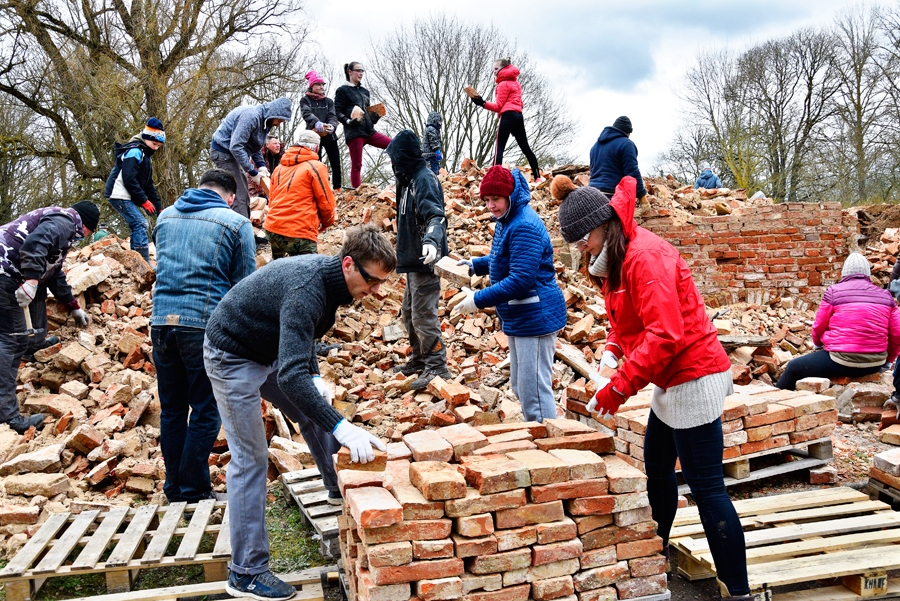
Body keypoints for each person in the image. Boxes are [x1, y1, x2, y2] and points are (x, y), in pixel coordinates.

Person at [553, 174, 751, 601]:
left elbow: (664, 335)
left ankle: (739, 592)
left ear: (601, 224)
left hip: (693, 377)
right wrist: (611, 350)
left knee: (707, 488)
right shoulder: (614, 255)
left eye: (582, 240)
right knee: (658, 468)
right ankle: (653, 555)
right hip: (670, 379)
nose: (581, 249)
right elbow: (628, 319)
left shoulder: (644, 257)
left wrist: (619, 388)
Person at [203, 224, 392, 600]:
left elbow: (302, 336)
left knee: (313, 408)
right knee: (251, 459)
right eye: (372, 280)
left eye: (381, 282)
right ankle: (246, 573)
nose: (376, 290)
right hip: (232, 355)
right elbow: (291, 375)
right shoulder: (309, 288)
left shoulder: (333, 286)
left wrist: (316, 377)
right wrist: (342, 427)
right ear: (349, 264)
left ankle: (336, 487)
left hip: (267, 349)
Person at [151, 169, 256, 503]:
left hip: (161, 323)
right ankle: (193, 490)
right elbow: (244, 287)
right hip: (203, 326)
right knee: (207, 409)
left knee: (172, 410)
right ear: (230, 197)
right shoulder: (236, 223)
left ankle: (174, 489)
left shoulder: (165, 217)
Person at [455, 166, 566, 422]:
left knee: (533, 391)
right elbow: (506, 257)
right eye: (486, 200)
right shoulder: (509, 219)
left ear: (510, 195)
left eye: (495, 199)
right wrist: (475, 265)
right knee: (521, 385)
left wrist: (477, 299)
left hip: (535, 315)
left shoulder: (523, 225)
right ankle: (537, 432)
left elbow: (520, 280)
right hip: (521, 315)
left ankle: (547, 439)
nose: (490, 206)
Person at [0, 201, 97, 434]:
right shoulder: (65, 222)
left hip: (9, 271)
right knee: (12, 340)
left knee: (40, 288)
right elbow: (35, 245)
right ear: (86, 226)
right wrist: (31, 281)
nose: (84, 238)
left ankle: (34, 343)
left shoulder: (62, 226)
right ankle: (7, 416)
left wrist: (73, 306)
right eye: (89, 233)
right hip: (4, 272)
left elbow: (53, 272)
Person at [776, 253, 900, 391]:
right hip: (875, 363)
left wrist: (818, 345)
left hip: (841, 360)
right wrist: (888, 361)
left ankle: (776, 400)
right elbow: (897, 334)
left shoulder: (834, 292)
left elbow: (819, 326)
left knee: (793, 367)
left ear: (844, 273)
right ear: (868, 274)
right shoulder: (885, 296)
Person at [386, 130, 451, 390]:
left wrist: (432, 241)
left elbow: (436, 215)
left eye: (395, 159)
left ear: (404, 157)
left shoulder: (424, 179)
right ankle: (420, 358)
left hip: (426, 259)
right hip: (413, 259)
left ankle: (437, 365)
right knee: (410, 312)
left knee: (424, 315)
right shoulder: (407, 179)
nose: (393, 164)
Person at [210, 98, 293, 219]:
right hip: (223, 152)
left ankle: (245, 223)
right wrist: (252, 171)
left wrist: (261, 166)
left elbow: (255, 145)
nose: (278, 124)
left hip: (232, 152)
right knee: (238, 193)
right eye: (279, 120)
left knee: (244, 191)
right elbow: (236, 146)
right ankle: (240, 227)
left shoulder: (265, 123)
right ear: (273, 113)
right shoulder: (250, 117)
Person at [263, 131, 336, 258]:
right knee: (310, 268)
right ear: (317, 147)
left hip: (272, 229)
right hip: (300, 232)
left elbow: (272, 200)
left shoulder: (278, 169)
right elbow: (325, 201)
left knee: (278, 266)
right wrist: (327, 222)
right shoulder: (317, 167)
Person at [469, 57, 542, 183]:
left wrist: (482, 103)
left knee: (499, 148)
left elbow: (498, 107)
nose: (494, 71)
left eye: (496, 69)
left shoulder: (502, 84)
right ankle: (537, 177)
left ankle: (495, 178)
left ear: (503, 69)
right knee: (526, 148)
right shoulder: (516, 83)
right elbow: (521, 103)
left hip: (507, 116)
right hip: (518, 116)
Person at [103, 118, 166, 263]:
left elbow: (148, 185)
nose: (156, 148)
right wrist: (144, 201)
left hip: (125, 194)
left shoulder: (145, 156)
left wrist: (159, 208)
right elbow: (129, 178)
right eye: (154, 144)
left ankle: (136, 260)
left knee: (138, 223)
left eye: (159, 145)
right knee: (140, 223)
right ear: (146, 138)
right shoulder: (135, 151)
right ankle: (141, 262)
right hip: (118, 193)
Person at [333, 62, 392, 189]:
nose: (361, 73)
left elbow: (366, 112)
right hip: (354, 132)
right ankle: (357, 192)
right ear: (350, 72)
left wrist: (374, 118)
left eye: (362, 71)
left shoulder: (365, 91)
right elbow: (337, 112)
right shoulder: (342, 90)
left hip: (369, 131)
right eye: (358, 70)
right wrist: (348, 121)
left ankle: (400, 178)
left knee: (393, 145)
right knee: (357, 165)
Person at [299, 70, 342, 192]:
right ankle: (317, 188)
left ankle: (337, 188)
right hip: (312, 137)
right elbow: (306, 113)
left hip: (329, 136)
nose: (321, 87)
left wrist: (332, 126)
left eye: (323, 84)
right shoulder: (305, 100)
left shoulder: (328, 101)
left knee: (335, 163)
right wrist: (316, 122)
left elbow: (332, 116)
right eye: (318, 84)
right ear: (312, 86)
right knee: (315, 164)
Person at [588, 116, 647, 202]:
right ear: (628, 132)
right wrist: (641, 194)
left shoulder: (595, 146)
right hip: (611, 195)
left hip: (591, 193)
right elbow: (632, 171)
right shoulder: (626, 144)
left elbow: (592, 170)